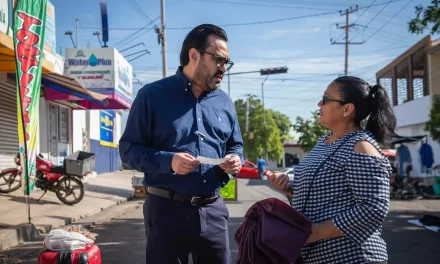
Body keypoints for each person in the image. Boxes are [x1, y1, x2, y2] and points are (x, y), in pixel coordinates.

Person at [119, 24, 244, 264]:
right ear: (194, 55)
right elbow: (128, 150)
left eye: (227, 62)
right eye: (219, 60)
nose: (224, 69)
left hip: (214, 210)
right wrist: (169, 162)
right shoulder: (152, 95)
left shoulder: (225, 103)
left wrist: (235, 159)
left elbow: (235, 146)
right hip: (166, 211)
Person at [270, 76, 396, 264]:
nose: (319, 103)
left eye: (326, 99)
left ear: (347, 109)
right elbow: (325, 195)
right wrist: (290, 187)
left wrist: (318, 231)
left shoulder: (360, 146)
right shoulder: (323, 142)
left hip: (353, 257)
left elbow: (374, 208)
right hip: (317, 257)